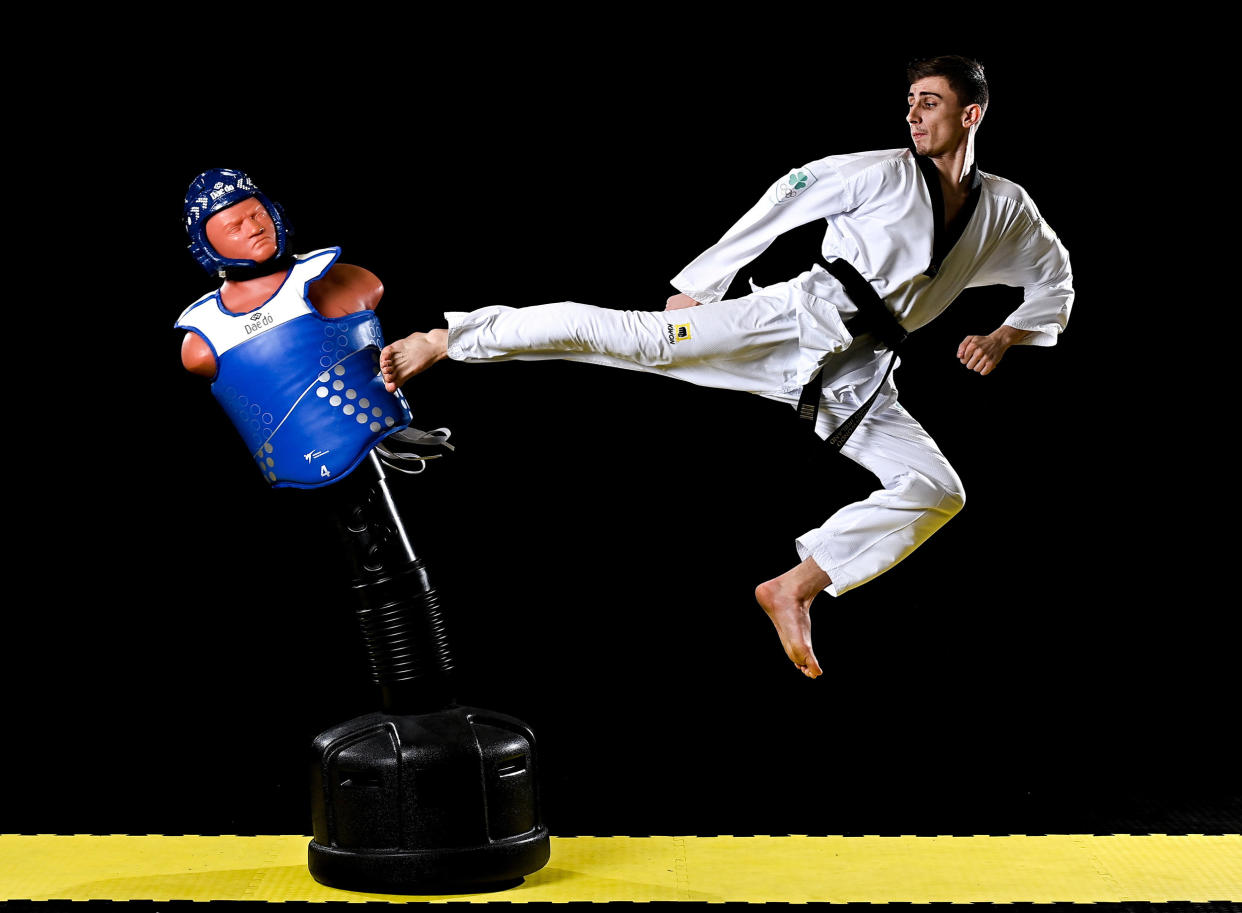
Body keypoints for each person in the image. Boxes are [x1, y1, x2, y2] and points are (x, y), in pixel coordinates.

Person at [378, 56, 1074, 680]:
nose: (913, 112)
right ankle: (452, 337)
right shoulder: (881, 172)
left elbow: (1055, 279)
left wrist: (1009, 332)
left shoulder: (1006, 210)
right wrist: (707, 283)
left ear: (969, 113)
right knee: (635, 339)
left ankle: (796, 585)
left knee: (936, 488)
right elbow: (786, 195)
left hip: (861, 372)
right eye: (911, 100)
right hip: (793, 319)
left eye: (929, 101)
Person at [175, 168, 415, 488]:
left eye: (259, 214)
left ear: (276, 213)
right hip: (299, 490)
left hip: (386, 453)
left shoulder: (337, 280)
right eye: (235, 226)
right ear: (206, 247)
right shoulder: (202, 340)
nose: (255, 228)